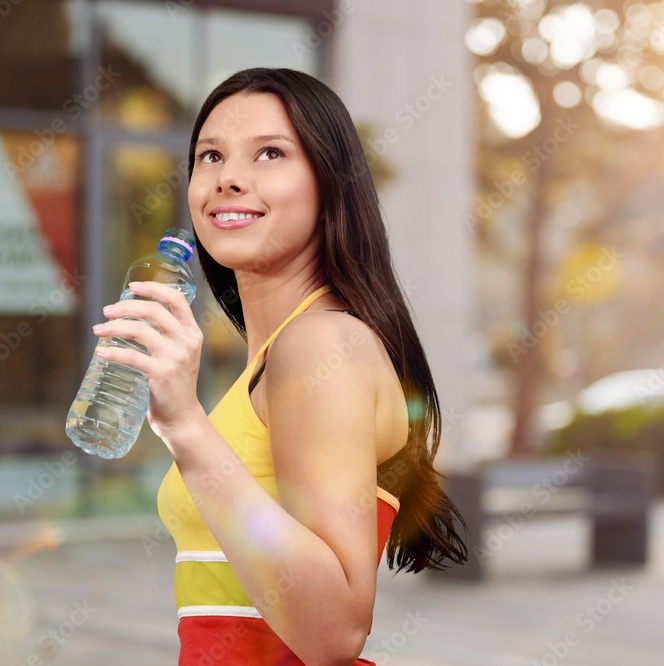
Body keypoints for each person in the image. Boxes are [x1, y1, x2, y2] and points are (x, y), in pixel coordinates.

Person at [91, 67, 468, 665]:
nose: (229, 179)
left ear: (330, 183)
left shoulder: (320, 347)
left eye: (270, 153)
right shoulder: (281, 353)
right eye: (209, 156)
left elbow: (335, 633)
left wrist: (186, 427)